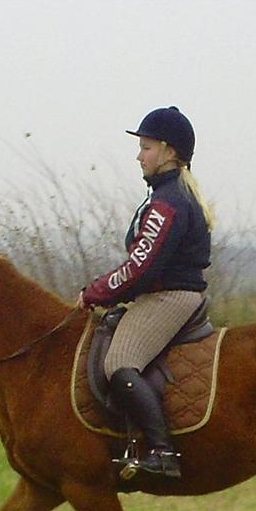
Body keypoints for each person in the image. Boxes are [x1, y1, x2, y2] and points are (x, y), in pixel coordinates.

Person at [77, 106, 214, 479]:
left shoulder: (167, 202)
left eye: (146, 147)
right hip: (164, 294)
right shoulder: (169, 194)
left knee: (118, 363)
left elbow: (140, 268)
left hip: (168, 297)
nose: (139, 155)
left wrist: (96, 293)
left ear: (169, 152)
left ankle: (162, 452)